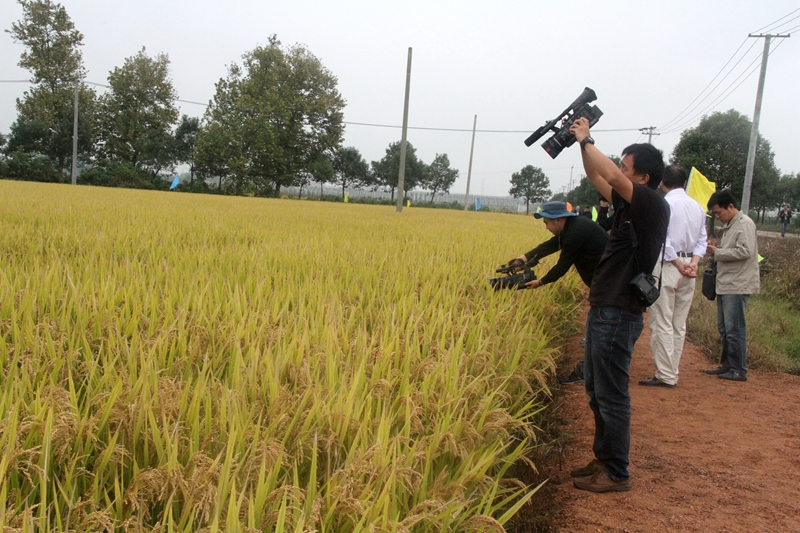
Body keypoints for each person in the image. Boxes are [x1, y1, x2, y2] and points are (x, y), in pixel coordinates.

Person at [567, 117, 669, 493]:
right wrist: (581, 146)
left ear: (641, 178)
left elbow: (609, 175)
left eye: (626, 167)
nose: (618, 171)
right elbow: (598, 177)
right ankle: (604, 459)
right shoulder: (629, 207)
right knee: (596, 389)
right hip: (604, 308)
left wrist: (588, 137)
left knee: (611, 393)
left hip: (619, 310)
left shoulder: (651, 205)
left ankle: (617, 472)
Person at [507, 201, 609, 386]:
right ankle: (594, 370)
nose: (546, 226)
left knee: (600, 326)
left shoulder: (575, 233)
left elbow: (562, 266)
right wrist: (522, 259)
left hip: (608, 284)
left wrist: (540, 282)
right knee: (598, 325)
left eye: (547, 222)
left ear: (558, 219)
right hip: (603, 283)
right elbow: (549, 246)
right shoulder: (571, 228)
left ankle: (592, 373)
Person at [639, 165, 707, 389]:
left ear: (663, 182)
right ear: (684, 182)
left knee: (662, 320)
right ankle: (672, 370)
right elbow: (702, 240)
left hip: (669, 265)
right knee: (679, 322)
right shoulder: (697, 207)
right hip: (690, 267)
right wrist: (693, 263)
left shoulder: (665, 204)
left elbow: (661, 238)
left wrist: (677, 262)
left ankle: (666, 374)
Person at [704, 189, 760, 382]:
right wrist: (718, 249)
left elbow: (745, 251)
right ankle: (728, 365)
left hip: (738, 284)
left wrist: (717, 253)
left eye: (719, 212)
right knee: (725, 327)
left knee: (734, 328)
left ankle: (738, 369)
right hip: (727, 283)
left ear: (731, 206)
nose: (718, 216)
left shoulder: (744, 224)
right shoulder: (731, 225)